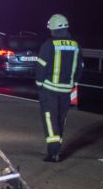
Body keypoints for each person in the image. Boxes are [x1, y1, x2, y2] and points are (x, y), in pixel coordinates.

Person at [35, 14, 84, 162]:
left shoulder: (49, 44)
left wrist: (39, 84)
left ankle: (53, 153)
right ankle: (57, 149)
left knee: (50, 120)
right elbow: (80, 67)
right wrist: (73, 83)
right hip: (66, 91)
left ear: (53, 28)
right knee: (60, 120)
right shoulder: (76, 45)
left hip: (49, 90)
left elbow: (41, 67)